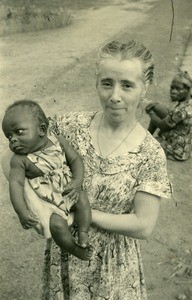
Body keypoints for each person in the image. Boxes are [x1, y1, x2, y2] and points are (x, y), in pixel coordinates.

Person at [2, 40, 172, 300]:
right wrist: (38, 206)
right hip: (65, 259)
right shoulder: (70, 125)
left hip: (113, 269)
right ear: (97, 82)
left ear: (144, 88)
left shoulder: (150, 153)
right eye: (107, 83)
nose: (114, 95)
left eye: (127, 85)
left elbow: (143, 225)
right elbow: (9, 158)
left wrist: (88, 215)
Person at [2, 100, 92, 260]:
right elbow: (15, 184)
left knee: (83, 200)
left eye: (19, 132)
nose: (13, 140)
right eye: (9, 136)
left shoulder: (58, 141)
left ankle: (83, 232)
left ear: (42, 129)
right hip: (49, 203)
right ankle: (74, 248)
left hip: (69, 191)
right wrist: (21, 212)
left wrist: (77, 181)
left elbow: (75, 160)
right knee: (57, 226)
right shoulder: (20, 160)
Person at [145, 70, 192, 161]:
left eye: (178, 89)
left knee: (146, 147)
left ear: (187, 90)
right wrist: (155, 105)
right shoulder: (187, 103)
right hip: (184, 145)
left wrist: (151, 113)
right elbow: (171, 113)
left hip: (177, 151)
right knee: (157, 107)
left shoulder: (181, 110)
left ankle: (146, 138)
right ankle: (146, 136)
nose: (173, 91)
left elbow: (162, 125)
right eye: (172, 88)